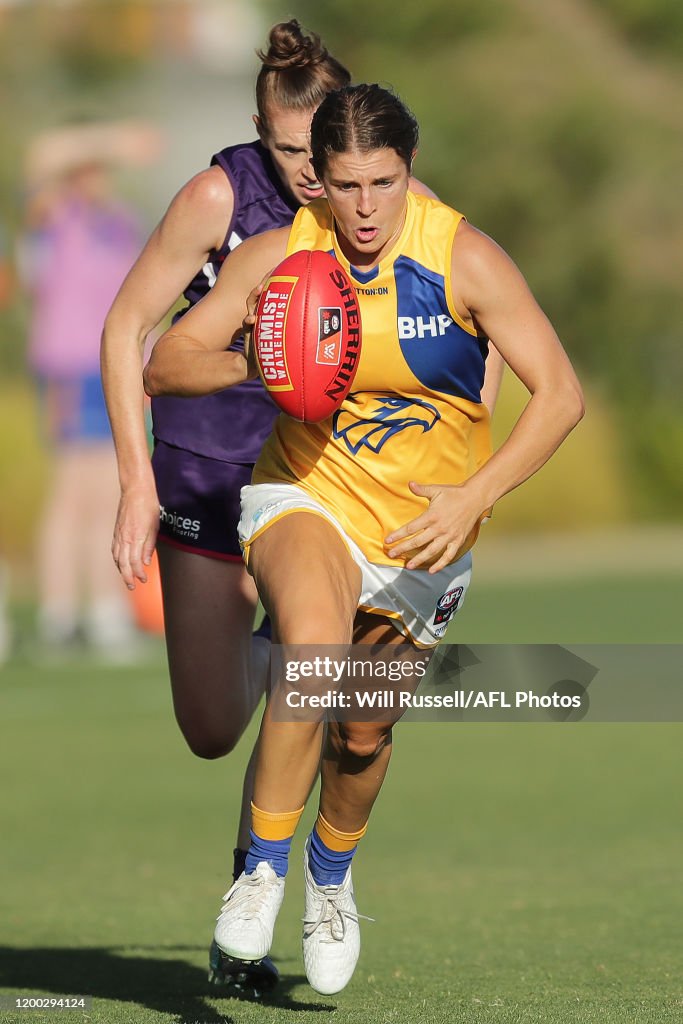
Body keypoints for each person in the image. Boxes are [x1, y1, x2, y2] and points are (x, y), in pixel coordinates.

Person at [143, 83, 584, 994]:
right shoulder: (280, 255)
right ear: (320, 183)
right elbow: (167, 362)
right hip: (305, 497)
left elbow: (560, 394)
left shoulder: (462, 257)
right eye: (343, 185)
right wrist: (258, 362)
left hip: (425, 532)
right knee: (310, 648)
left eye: (382, 183)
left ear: (407, 170)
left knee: (364, 733)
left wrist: (475, 495)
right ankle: (260, 874)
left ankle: (331, 882)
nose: (365, 207)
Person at [22, 122, 159, 656]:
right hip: (69, 368)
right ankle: (61, 612)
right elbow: (41, 153)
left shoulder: (120, 223)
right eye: (89, 166)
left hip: (116, 369)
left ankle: (104, 609)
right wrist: (109, 138)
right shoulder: (57, 218)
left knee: (113, 489)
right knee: (72, 490)